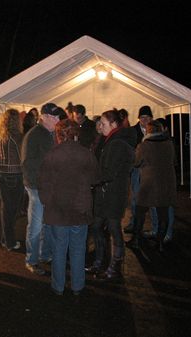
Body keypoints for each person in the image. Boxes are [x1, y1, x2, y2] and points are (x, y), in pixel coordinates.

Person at [38, 119, 100, 295]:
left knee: (59, 249)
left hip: (58, 210)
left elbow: (42, 183)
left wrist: (47, 201)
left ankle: (58, 286)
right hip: (80, 209)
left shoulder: (51, 155)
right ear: (75, 134)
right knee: (78, 249)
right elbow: (96, 179)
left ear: (58, 135)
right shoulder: (86, 154)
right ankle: (77, 286)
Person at [87, 109, 136, 280]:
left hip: (113, 194)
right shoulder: (110, 140)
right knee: (97, 227)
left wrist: (90, 179)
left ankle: (115, 266)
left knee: (114, 229)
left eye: (104, 123)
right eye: (99, 122)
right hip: (105, 193)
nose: (101, 126)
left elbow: (109, 172)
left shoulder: (118, 143)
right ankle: (99, 262)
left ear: (114, 124)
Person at [21, 102, 60, 275]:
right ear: (43, 117)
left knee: (47, 223)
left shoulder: (52, 134)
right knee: (36, 225)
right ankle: (32, 259)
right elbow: (27, 164)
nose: (57, 120)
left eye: (58, 116)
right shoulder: (34, 135)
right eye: (53, 116)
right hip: (37, 187)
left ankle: (44, 254)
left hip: (49, 186)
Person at [126, 120, 177, 252]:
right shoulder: (169, 144)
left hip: (149, 184)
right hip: (166, 183)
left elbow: (136, 163)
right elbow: (174, 161)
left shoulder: (144, 146)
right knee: (163, 213)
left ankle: (136, 240)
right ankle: (160, 242)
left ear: (149, 131)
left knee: (140, 212)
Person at [0, 108, 24, 251]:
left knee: (6, 207)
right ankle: (9, 241)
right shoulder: (16, 135)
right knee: (12, 209)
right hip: (15, 174)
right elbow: (23, 156)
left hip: (1, 173)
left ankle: (6, 238)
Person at [124, 105, 158, 234]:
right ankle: (134, 224)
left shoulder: (155, 131)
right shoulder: (132, 131)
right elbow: (128, 149)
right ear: (138, 118)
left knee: (153, 199)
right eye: (142, 117)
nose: (144, 120)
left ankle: (156, 228)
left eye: (147, 117)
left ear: (151, 118)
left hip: (151, 169)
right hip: (137, 169)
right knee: (135, 198)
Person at [142, 117, 175, 243]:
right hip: (157, 179)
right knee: (157, 207)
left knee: (164, 207)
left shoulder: (156, 142)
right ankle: (159, 231)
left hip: (160, 179)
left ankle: (166, 232)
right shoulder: (165, 141)